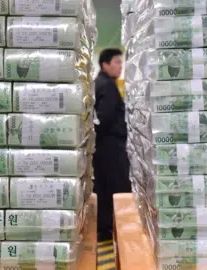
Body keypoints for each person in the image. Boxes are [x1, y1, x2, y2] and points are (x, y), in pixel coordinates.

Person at [93, 48, 131, 241]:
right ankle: (114, 228)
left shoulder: (99, 83)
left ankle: (104, 228)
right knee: (118, 186)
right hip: (110, 146)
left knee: (103, 186)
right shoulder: (107, 85)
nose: (120, 65)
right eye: (117, 62)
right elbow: (104, 117)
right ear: (105, 64)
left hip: (102, 146)